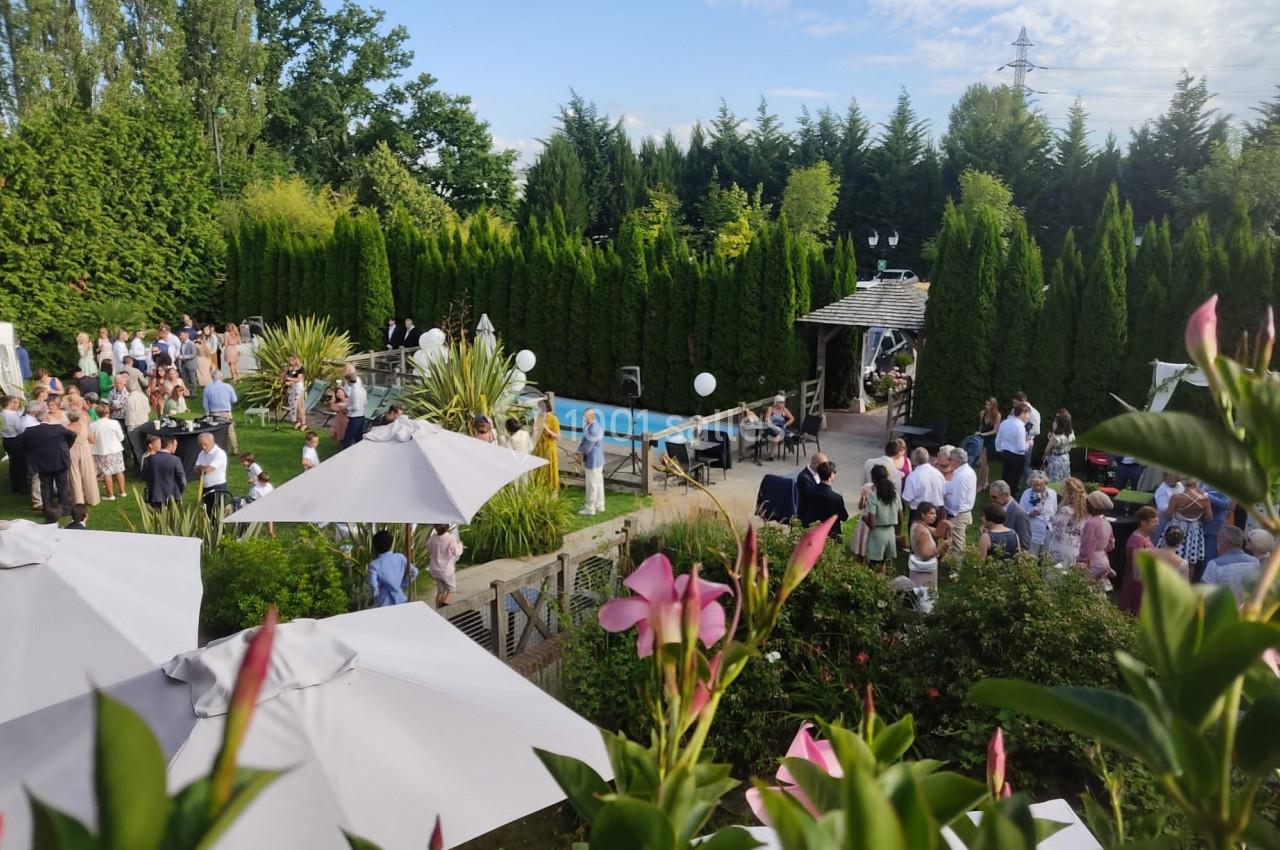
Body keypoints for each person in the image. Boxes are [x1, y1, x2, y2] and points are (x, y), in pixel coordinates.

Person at [20, 408, 77, 514]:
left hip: (42, 462)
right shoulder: (58, 428)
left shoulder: (29, 431)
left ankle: (47, 508)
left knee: (45, 486)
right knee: (62, 485)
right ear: (46, 417)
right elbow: (73, 435)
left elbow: (23, 443)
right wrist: (66, 446)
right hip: (59, 460)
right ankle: (65, 509)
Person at [1164, 479, 1211, 580]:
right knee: (1190, 562)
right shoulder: (1205, 499)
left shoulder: (1176, 497)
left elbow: (1167, 516)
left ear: (1184, 483)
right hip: (1195, 530)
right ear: (1196, 484)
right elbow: (1208, 518)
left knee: (1171, 556)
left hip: (1177, 527)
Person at [1118, 506, 1160, 614]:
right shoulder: (1137, 542)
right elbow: (1137, 571)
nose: (1157, 524)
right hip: (1136, 587)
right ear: (1143, 522)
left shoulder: (1146, 536)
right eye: (1154, 522)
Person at [1202, 525, 1260, 601]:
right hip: (1248, 610)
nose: (1217, 540)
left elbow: (1204, 595)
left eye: (1219, 537)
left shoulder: (1214, 565)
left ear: (1227, 542)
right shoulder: (1255, 562)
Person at [864, 463, 901, 571]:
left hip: (877, 535)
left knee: (874, 565)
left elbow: (872, 524)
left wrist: (865, 519)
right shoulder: (894, 493)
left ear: (874, 478)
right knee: (885, 563)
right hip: (890, 532)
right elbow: (901, 515)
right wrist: (898, 532)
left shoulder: (873, 496)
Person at [368, 529, 417, 607]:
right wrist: (402, 584)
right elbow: (414, 572)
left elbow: (373, 584)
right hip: (401, 598)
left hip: (384, 601)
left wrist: (376, 596)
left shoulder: (374, 564)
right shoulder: (400, 557)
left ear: (374, 547)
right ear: (391, 544)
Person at [1078, 490, 1116, 588]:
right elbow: (1111, 544)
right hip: (1104, 560)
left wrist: (1081, 562)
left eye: (1087, 503)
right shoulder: (1106, 522)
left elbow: (1087, 546)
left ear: (1093, 507)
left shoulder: (1091, 524)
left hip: (1092, 562)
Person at [1048, 477, 1088, 568]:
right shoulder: (1086, 511)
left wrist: (1052, 520)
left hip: (1062, 548)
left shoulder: (1065, 510)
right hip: (1076, 548)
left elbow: (1058, 532)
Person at [943, 446, 977, 553]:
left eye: (950, 459)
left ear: (957, 460)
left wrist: (945, 502)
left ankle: (955, 569)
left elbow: (956, 503)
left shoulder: (961, 476)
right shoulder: (968, 471)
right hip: (964, 512)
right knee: (957, 543)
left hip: (957, 515)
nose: (949, 462)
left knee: (956, 545)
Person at [909, 501, 950, 588]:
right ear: (923, 515)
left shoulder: (918, 524)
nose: (935, 516)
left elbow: (936, 532)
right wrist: (940, 548)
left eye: (935, 513)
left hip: (919, 563)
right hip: (924, 569)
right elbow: (925, 555)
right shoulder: (922, 531)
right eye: (931, 513)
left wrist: (943, 524)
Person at [89, 403, 126, 500]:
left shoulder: (93, 425)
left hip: (102, 450)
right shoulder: (114, 423)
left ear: (97, 414)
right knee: (119, 470)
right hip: (115, 449)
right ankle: (122, 492)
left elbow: (92, 439)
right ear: (108, 413)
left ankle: (111, 495)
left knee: (106, 473)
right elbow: (121, 437)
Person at [804, 461, 848, 539]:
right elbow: (844, 517)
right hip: (830, 534)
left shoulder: (810, 491)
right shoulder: (836, 498)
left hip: (813, 530)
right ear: (831, 475)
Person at [1018, 470, 1058, 555]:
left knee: (1046, 558)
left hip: (1048, 530)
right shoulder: (1027, 494)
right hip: (1032, 531)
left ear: (1045, 483)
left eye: (1040, 484)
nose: (1037, 487)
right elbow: (1021, 513)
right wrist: (1030, 514)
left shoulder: (1052, 494)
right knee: (1031, 557)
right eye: (1035, 485)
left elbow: (1054, 510)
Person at [65, 408, 99, 507]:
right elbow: (92, 440)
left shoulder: (66, 428)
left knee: (74, 475)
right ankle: (93, 499)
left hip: (71, 451)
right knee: (89, 474)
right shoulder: (84, 427)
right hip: (84, 450)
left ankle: (78, 500)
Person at [994, 403, 1031, 493]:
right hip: (1017, 457)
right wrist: (1029, 443)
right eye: (1027, 415)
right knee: (1014, 480)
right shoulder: (1020, 426)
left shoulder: (1004, 422)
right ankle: (1009, 497)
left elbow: (998, 439)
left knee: (1005, 476)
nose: (1028, 418)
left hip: (1005, 453)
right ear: (1023, 413)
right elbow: (1021, 447)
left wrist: (1000, 450)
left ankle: (1000, 494)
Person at [202, 371, 239, 454]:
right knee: (230, 431)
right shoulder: (228, 386)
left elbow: (205, 404)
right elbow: (234, 400)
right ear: (222, 378)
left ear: (212, 378)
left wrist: (207, 413)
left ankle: (216, 450)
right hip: (226, 412)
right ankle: (235, 449)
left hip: (213, 413)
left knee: (215, 432)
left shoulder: (207, 387)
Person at [902, 447, 946, 515]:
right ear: (928, 458)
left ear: (914, 460)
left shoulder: (912, 477)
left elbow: (907, 498)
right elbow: (944, 492)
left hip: (919, 513)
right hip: (938, 511)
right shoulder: (939, 474)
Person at [988, 480, 1031, 550]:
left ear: (1004, 495)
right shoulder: (994, 507)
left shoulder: (1019, 514)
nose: (992, 500)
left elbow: (1024, 543)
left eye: (994, 497)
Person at [428, 523, 464, 607]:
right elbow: (456, 552)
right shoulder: (450, 538)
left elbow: (429, 547)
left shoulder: (433, 537)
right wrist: (460, 545)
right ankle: (444, 610)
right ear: (447, 527)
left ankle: (438, 610)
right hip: (446, 571)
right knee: (451, 590)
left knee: (440, 590)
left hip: (434, 570)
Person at [194, 431, 229, 516]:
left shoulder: (219, 454)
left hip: (217, 488)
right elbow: (195, 468)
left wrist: (202, 468)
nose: (203, 447)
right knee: (207, 513)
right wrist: (201, 468)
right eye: (201, 445)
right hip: (205, 487)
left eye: (205, 444)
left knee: (217, 514)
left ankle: (219, 529)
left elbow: (206, 470)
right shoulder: (202, 453)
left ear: (212, 441)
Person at [578, 408, 605, 516]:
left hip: (593, 460)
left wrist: (579, 454)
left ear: (592, 417)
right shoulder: (595, 425)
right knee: (598, 483)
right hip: (598, 459)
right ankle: (600, 505)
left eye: (586, 417)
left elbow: (587, 448)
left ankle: (590, 507)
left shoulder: (593, 430)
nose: (584, 419)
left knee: (591, 484)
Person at [533, 394, 561, 492]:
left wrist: (547, 429)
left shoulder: (553, 419)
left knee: (550, 469)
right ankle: (539, 488)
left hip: (549, 448)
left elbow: (557, 437)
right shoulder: (539, 417)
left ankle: (552, 489)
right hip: (540, 448)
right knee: (540, 469)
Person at [1201, 484, 1233, 563]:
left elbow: (1226, 504)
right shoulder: (1201, 482)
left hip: (1213, 528)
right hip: (1197, 526)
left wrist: (1206, 495)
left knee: (1209, 558)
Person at [2, 394, 25, 494]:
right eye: (13, 402)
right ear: (10, 403)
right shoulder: (13, 415)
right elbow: (19, 429)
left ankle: (15, 485)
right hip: (15, 440)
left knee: (13, 463)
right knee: (19, 464)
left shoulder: (1, 414)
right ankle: (20, 486)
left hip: (6, 440)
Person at [1043, 409, 1075, 483]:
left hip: (1055, 461)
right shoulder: (1071, 433)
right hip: (1065, 459)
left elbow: (1047, 450)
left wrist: (1050, 439)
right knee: (1064, 481)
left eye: (1055, 422)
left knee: (1054, 482)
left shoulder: (1056, 437)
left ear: (1059, 424)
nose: (1053, 423)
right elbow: (1073, 445)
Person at [977, 397, 1002, 488]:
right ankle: (983, 481)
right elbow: (981, 426)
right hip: (981, 438)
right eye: (986, 404)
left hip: (990, 439)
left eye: (989, 405)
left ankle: (983, 483)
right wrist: (979, 434)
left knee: (984, 462)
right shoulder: (982, 413)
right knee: (981, 462)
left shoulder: (997, 415)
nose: (987, 406)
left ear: (993, 406)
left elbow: (995, 430)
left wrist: (983, 434)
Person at [796, 451, 828, 521]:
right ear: (815, 464)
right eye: (823, 465)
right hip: (808, 515)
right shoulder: (804, 477)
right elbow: (811, 498)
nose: (825, 469)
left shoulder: (818, 473)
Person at [341, 364, 366, 447]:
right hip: (361, 416)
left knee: (347, 440)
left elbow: (356, 407)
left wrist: (347, 408)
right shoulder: (362, 388)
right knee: (358, 439)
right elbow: (365, 402)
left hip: (355, 418)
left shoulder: (355, 391)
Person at [764, 394, 794, 460]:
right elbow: (767, 419)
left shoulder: (784, 410)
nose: (783, 403)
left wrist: (786, 424)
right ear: (776, 402)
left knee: (779, 434)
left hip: (781, 428)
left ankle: (771, 455)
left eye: (783, 402)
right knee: (781, 433)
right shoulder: (770, 408)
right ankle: (792, 437)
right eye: (781, 402)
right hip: (771, 428)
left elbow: (792, 418)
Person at [283, 354, 307, 430]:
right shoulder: (290, 369)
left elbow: (298, 379)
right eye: (289, 360)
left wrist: (289, 379)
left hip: (299, 389)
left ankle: (304, 423)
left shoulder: (301, 369)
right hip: (292, 389)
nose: (290, 361)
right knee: (294, 406)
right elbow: (284, 377)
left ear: (296, 360)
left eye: (291, 360)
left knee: (300, 406)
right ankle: (298, 421)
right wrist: (286, 372)